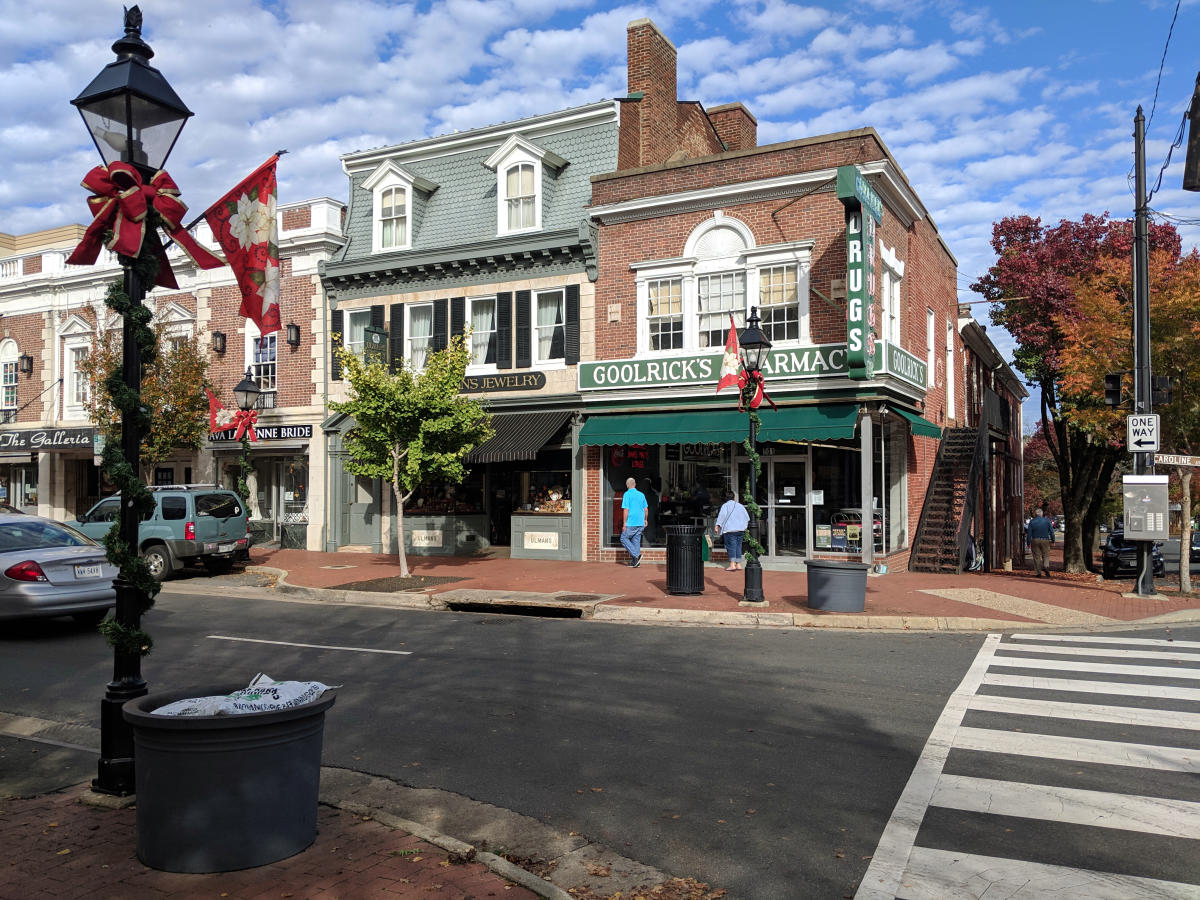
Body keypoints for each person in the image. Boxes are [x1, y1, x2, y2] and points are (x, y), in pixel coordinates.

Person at [713, 490, 751, 571]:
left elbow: (721, 516)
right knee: (738, 546)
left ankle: (732, 564)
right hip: (740, 530)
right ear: (734, 497)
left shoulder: (725, 506)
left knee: (731, 547)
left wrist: (717, 526)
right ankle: (738, 564)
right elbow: (747, 518)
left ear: (725, 498)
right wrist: (744, 526)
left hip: (730, 530)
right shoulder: (740, 506)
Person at [620, 476, 648, 567]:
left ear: (627, 486)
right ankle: (636, 562)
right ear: (635, 484)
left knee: (623, 538)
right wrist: (645, 519)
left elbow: (626, 510)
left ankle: (636, 556)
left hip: (631, 522)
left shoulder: (627, 494)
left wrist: (624, 523)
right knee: (636, 541)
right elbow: (646, 509)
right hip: (640, 522)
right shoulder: (641, 495)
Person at [1027, 507, 1054, 577]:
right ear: (1042, 514)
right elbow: (1051, 531)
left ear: (1036, 514)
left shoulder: (1032, 521)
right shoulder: (1047, 521)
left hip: (1035, 540)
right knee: (1046, 555)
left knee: (1036, 557)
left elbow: (1029, 533)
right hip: (1045, 540)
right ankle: (1046, 566)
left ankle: (1038, 573)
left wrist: (1028, 542)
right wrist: (1053, 540)